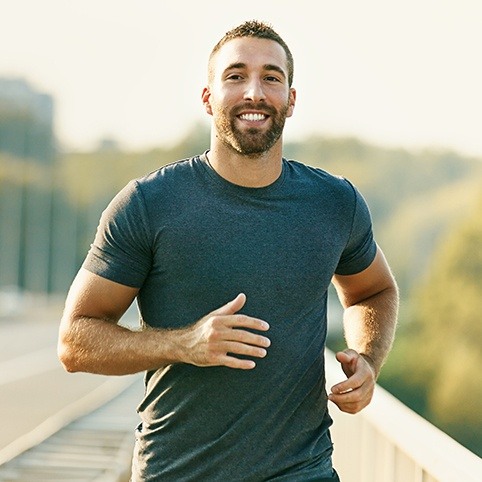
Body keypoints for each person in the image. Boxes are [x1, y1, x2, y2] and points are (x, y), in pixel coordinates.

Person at [58, 20, 398, 482]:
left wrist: (367, 362)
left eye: (272, 78)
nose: (254, 92)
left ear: (290, 101)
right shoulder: (148, 204)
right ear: (208, 98)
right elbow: (75, 340)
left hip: (303, 471)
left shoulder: (334, 203)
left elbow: (373, 291)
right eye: (235, 76)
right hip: (176, 472)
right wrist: (185, 344)